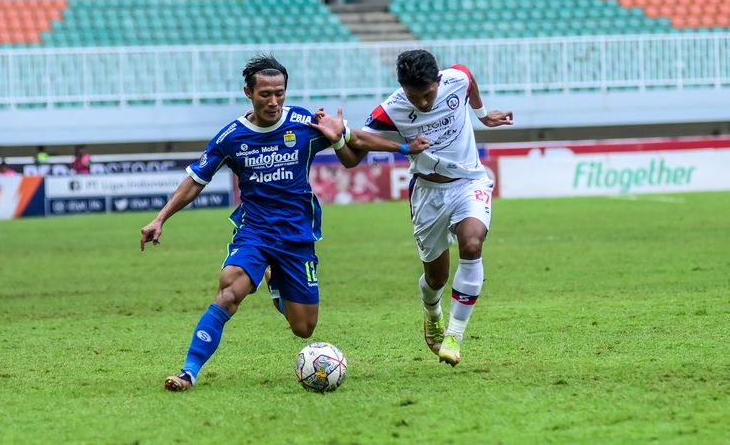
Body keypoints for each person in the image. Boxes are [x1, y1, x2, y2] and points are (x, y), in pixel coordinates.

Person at [140, 55, 429, 391]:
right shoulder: (231, 137)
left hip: (296, 236)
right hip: (255, 232)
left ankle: (272, 277)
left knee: (304, 328)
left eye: (280, 93)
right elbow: (195, 180)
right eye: (265, 94)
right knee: (229, 291)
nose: (273, 101)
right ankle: (189, 372)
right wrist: (161, 218)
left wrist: (404, 147)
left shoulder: (304, 124)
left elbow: (356, 140)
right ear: (248, 92)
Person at [320, 49, 513, 366]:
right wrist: (340, 138)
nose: (422, 103)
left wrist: (482, 115)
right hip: (428, 193)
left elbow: (470, 80)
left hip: (470, 182)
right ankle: (432, 309)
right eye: (414, 97)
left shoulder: (456, 78)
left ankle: (454, 336)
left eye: (427, 94)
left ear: (438, 81)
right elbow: (353, 157)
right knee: (436, 279)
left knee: (472, 241)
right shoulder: (390, 110)